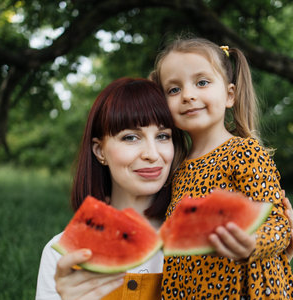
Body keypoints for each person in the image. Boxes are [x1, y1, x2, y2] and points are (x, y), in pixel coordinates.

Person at [150, 37, 293, 299]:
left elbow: (279, 223)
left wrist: (253, 243)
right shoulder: (177, 168)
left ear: (230, 95)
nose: (188, 95)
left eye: (202, 82)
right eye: (173, 90)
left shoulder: (244, 152)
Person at [35, 77, 188, 300]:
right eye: (131, 137)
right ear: (100, 151)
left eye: (163, 136)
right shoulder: (59, 254)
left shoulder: (198, 247)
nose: (153, 154)